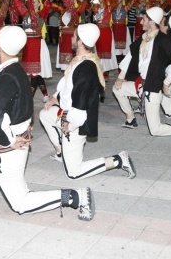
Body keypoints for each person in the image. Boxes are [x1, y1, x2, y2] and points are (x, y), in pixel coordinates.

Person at [0, 26, 95, 220]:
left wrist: (8, 142)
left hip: (8, 145)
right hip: (7, 136)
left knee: (21, 203)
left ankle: (75, 197)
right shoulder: (16, 69)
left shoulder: (6, 77)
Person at [39, 23, 136, 179]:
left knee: (73, 173)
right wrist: (55, 97)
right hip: (65, 113)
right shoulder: (80, 61)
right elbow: (66, 84)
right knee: (45, 114)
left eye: (74, 35)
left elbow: (81, 107)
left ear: (80, 41)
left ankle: (118, 160)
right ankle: (60, 152)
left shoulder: (85, 68)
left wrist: (70, 125)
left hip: (76, 120)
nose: (71, 37)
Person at [112, 7, 171, 137]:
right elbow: (130, 56)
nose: (140, 22)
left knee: (155, 130)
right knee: (117, 89)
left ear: (151, 22)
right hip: (140, 85)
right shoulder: (145, 37)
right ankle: (131, 119)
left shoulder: (164, 40)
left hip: (152, 88)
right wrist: (121, 77)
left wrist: (167, 83)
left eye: (144, 19)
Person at [11, 0, 53, 102]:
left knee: (34, 74)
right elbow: (18, 2)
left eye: (36, 1)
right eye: (32, 1)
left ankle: (29, 97)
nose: (33, 3)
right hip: (28, 46)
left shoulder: (42, 14)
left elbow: (49, 2)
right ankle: (45, 95)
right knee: (34, 73)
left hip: (37, 45)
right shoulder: (25, 14)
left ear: (39, 4)